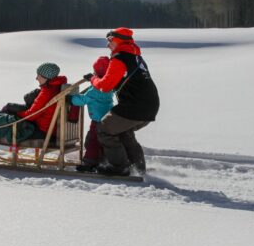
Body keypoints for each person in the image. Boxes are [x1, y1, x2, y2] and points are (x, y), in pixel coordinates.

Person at [84, 27, 159, 176]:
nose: (107, 45)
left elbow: (105, 86)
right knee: (123, 131)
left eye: (110, 41)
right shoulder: (135, 56)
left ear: (119, 40)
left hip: (134, 106)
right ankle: (138, 167)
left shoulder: (119, 58)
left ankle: (119, 167)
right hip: (149, 105)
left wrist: (92, 79)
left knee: (104, 128)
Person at [69, 56, 114, 172]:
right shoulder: (109, 86)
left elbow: (83, 100)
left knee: (91, 141)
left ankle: (89, 163)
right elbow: (100, 84)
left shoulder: (94, 91)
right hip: (107, 119)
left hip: (98, 121)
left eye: (95, 71)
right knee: (102, 141)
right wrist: (92, 79)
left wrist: (71, 99)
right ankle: (102, 160)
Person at [16, 62, 68, 139]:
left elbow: (31, 116)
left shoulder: (47, 91)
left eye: (38, 76)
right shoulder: (57, 87)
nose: (36, 78)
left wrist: (16, 113)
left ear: (46, 78)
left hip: (44, 132)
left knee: (9, 113)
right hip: (53, 129)